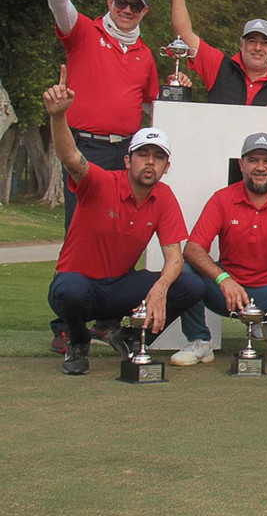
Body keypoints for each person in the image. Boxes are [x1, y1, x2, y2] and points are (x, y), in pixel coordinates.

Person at [42, 67, 203, 375]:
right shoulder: (101, 183)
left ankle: (130, 337)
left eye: (158, 157)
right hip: (80, 284)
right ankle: (78, 340)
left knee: (189, 285)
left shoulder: (164, 196)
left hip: (119, 289)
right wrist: (58, 116)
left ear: (166, 166)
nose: (150, 162)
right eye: (143, 154)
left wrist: (160, 288)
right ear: (128, 160)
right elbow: (71, 156)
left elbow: (174, 257)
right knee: (69, 290)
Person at [44, 0, 160, 352]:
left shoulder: (145, 54)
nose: (127, 10)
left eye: (135, 6)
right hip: (85, 150)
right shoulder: (84, 32)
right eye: (122, 3)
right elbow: (60, 5)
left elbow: (152, 105)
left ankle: (109, 321)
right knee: (79, 231)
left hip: (126, 153)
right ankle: (66, 324)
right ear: (110, 2)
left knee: (123, 233)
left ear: (144, 12)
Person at [173, 133, 267, 366]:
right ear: (241, 165)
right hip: (229, 287)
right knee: (183, 271)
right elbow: (192, 249)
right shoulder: (222, 198)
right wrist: (223, 279)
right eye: (253, 160)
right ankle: (199, 341)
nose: (260, 167)